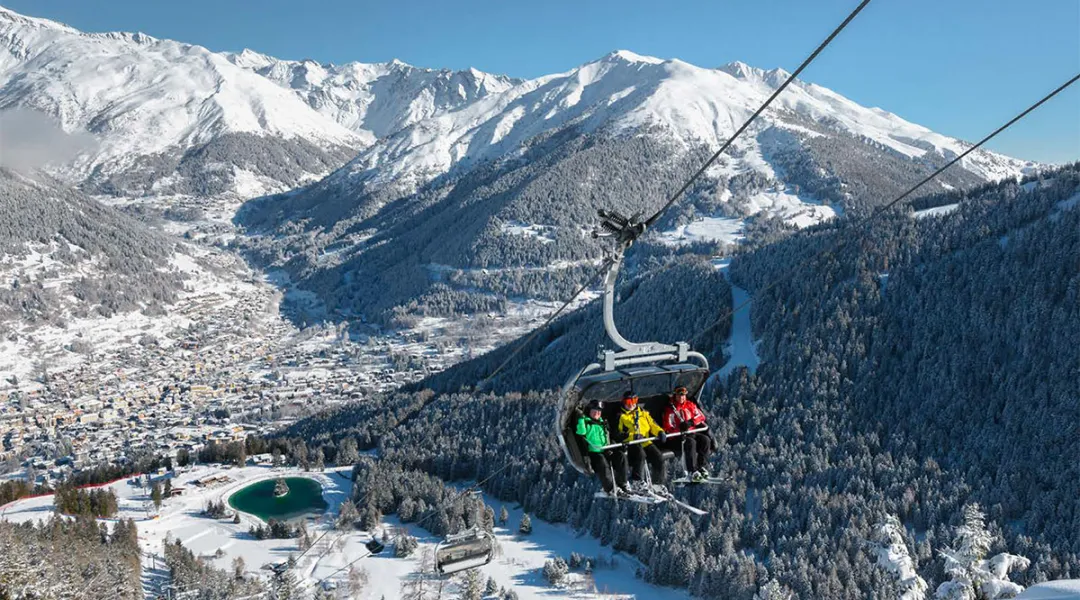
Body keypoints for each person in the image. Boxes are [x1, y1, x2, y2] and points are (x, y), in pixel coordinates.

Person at [614, 392, 667, 494]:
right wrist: (632, 436)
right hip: (631, 443)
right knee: (640, 454)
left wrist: (660, 431)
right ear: (624, 402)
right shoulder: (621, 416)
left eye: (634, 401)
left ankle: (657, 484)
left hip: (645, 441)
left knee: (659, 457)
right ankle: (637, 482)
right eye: (628, 401)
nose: (631, 404)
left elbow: (652, 424)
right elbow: (617, 434)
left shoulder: (642, 413)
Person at [574, 401, 630, 497]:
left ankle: (623, 483)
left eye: (599, 411)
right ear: (589, 411)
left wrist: (615, 445)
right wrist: (580, 418)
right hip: (594, 452)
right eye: (594, 411)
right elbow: (581, 432)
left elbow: (608, 436)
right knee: (602, 462)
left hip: (606, 449)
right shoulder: (586, 421)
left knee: (621, 457)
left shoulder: (603, 423)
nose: (597, 413)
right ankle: (610, 488)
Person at [661, 386, 713, 482]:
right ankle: (692, 471)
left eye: (683, 396)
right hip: (676, 438)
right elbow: (668, 427)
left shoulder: (690, 405)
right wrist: (679, 428)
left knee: (705, 440)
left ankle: (701, 467)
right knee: (690, 442)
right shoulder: (670, 410)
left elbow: (701, 416)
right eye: (679, 396)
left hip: (690, 432)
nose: (682, 398)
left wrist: (691, 423)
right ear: (675, 396)